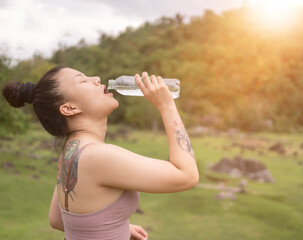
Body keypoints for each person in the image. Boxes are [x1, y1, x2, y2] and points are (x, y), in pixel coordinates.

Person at [2, 66, 199, 240]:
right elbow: (186, 175)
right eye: (83, 80)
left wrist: (114, 228)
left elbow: (57, 219)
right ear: (70, 108)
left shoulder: (71, 151)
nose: (96, 78)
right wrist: (167, 106)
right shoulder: (98, 157)